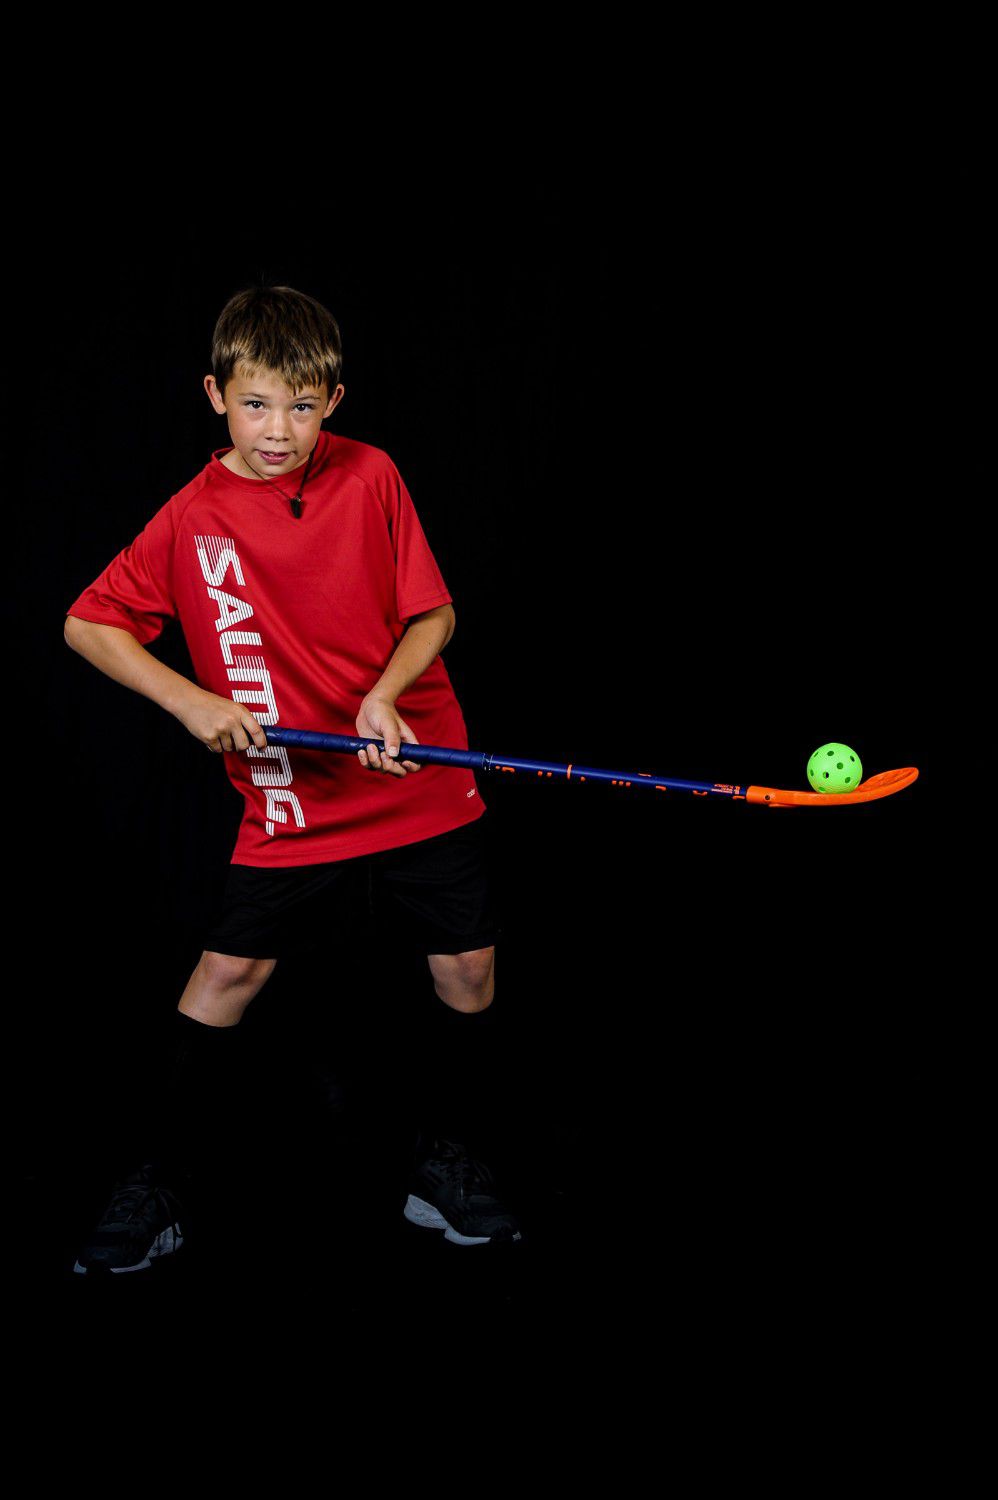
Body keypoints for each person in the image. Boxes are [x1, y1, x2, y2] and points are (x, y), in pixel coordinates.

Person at [64, 284, 522, 1274]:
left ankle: (448, 1159)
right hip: (292, 792)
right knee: (229, 973)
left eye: (302, 407)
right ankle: (158, 1180)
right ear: (216, 395)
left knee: (468, 968)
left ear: (333, 401)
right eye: (257, 404)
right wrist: (190, 701)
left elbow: (433, 614)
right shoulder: (192, 517)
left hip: (414, 765)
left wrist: (385, 695)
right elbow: (88, 623)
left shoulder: (372, 475)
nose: (279, 430)